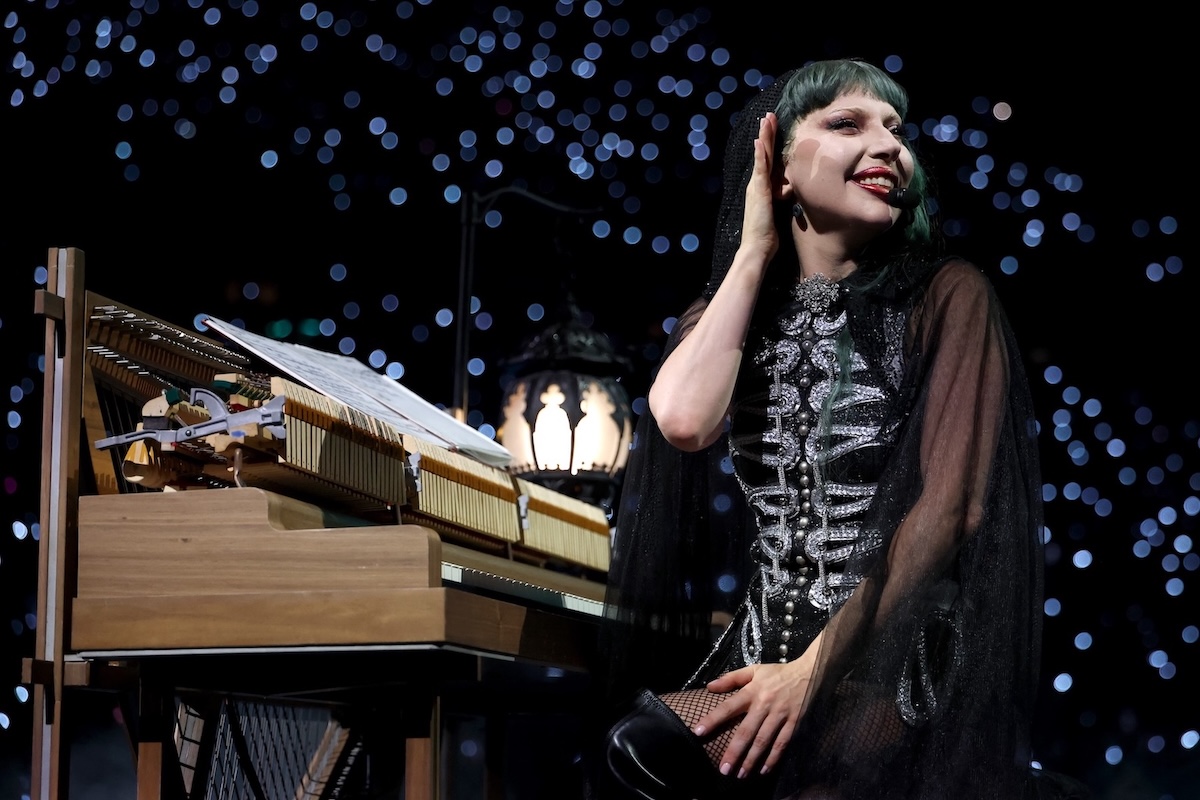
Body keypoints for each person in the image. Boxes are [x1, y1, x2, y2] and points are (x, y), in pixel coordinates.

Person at [593, 59, 1089, 799]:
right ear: (779, 164)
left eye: (896, 128)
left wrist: (812, 674)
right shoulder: (737, 311)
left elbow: (953, 509)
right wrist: (755, 248)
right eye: (847, 124)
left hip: (898, 657)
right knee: (637, 751)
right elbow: (684, 421)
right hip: (763, 648)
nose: (889, 145)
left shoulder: (947, 295)